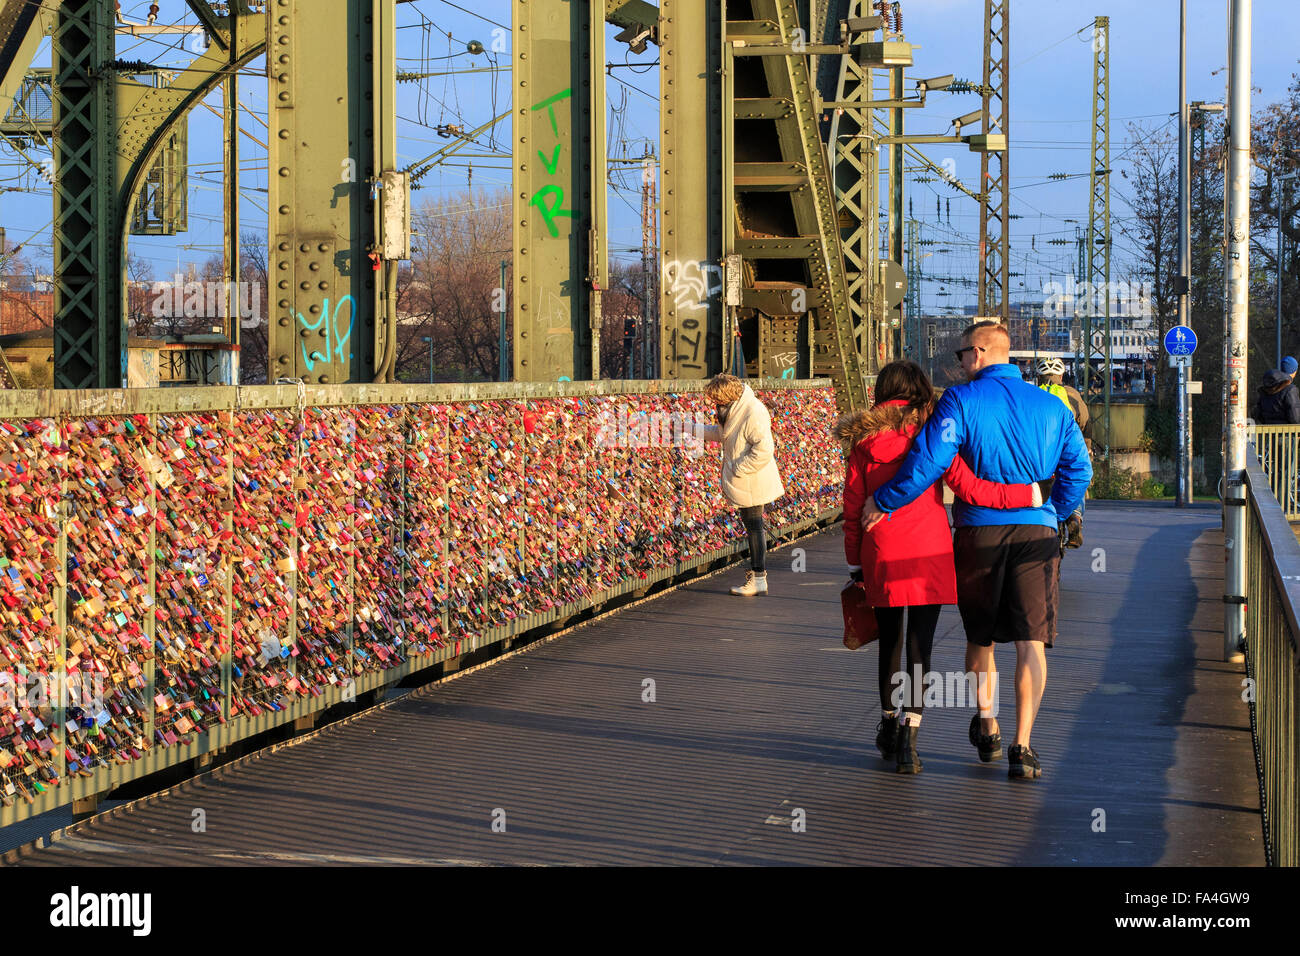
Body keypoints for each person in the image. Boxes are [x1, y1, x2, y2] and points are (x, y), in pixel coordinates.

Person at [863, 322, 1092, 780]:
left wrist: (883, 501)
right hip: (1037, 537)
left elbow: (929, 462)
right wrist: (1051, 509)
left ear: (982, 352)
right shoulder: (1052, 407)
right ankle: (1022, 746)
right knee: (1032, 641)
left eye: (964, 353)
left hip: (977, 535)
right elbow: (1079, 472)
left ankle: (987, 723)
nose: (960, 362)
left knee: (980, 638)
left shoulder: (960, 401)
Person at [837, 360, 1039, 774]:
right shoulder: (933, 436)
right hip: (929, 550)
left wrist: (855, 558)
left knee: (890, 641)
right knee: (920, 646)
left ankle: (890, 726)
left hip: (883, 550)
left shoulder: (863, 443)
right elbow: (968, 486)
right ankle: (911, 740)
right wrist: (1026, 495)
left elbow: (853, 505)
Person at [699, 373, 784, 597]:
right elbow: (723, 435)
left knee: (754, 527)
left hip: (751, 479)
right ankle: (758, 579)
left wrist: (739, 469)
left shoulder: (753, 412)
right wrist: (692, 429)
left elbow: (764, 449)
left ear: (725, 396)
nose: (713, 403)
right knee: (753, 526)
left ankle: (758, 579)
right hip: (748, 479)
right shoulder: (734, 410)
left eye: (716, 398)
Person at [1036, 356, 1088, 550]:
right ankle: (1075, 517)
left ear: (1039, 375)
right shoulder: (1071, 394)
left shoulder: (1033, 392)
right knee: (1076, 476)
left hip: (1042, 452)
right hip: (1066, 449)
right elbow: (1084, 420)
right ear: (1061, 374)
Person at [1255, 355, 1300, 425]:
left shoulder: (1266, 387)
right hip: (1287, 433)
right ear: (1294, 372)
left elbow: (1258, 414)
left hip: (1267, 433)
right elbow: (1294, 418)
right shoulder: (1290, 390)